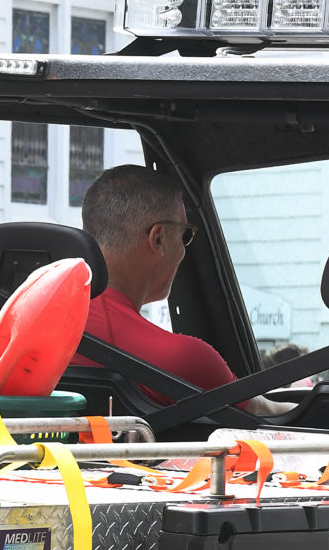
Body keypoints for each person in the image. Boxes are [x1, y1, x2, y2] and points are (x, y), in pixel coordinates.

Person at [74, 165, 237, 395]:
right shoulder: (186, 359)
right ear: (158, 239)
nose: (183, 249)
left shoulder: (33, 332)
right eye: (185, 235)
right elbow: (271, 415)